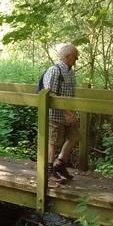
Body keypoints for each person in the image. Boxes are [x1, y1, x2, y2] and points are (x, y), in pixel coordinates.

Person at [43, 43, 79, 183]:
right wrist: (65, 112)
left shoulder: (70, 71)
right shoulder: (54, 70)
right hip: (56, 114)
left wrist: (71, 112)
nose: (77, 60)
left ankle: (60, 164)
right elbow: (50, 93)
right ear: (68, 56)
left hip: (69, 112)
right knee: (53, 141)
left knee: (75, 136)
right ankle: (49, 170)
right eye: (75, 57)